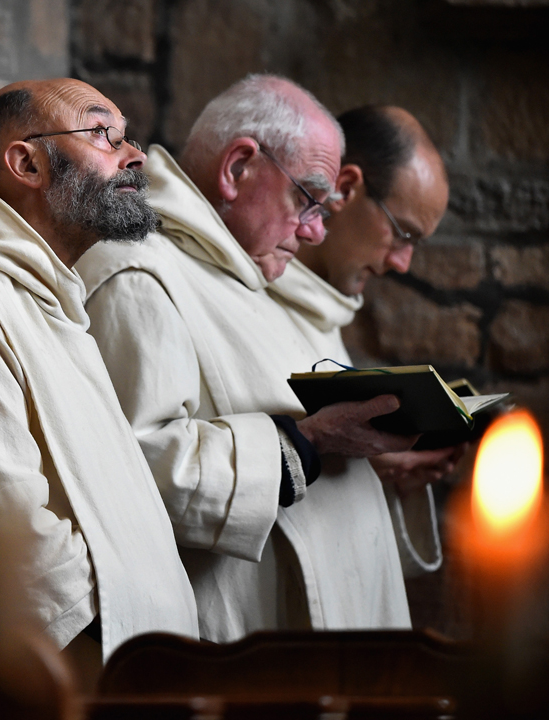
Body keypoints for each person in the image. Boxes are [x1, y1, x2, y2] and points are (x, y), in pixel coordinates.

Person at [75, 74, 420, 642]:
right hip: (234, 646)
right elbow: (136, 471)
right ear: (237, 169)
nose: (313, 232)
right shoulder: (136, 272)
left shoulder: (243, 268)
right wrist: (307, 444)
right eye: (307, 199)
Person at [0, 79, 199, 675]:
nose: (135, 157)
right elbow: (11, 533)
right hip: (89, 681)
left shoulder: (47, 295)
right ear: (26, 162)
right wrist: (116, 662)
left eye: (127, 137)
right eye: (104, 133)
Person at [269, 105, 462, 579]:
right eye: (403, 234)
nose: (403, 263)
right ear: (348, 189)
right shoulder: (238, 294)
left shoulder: (323, 307)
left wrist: (379, 467)